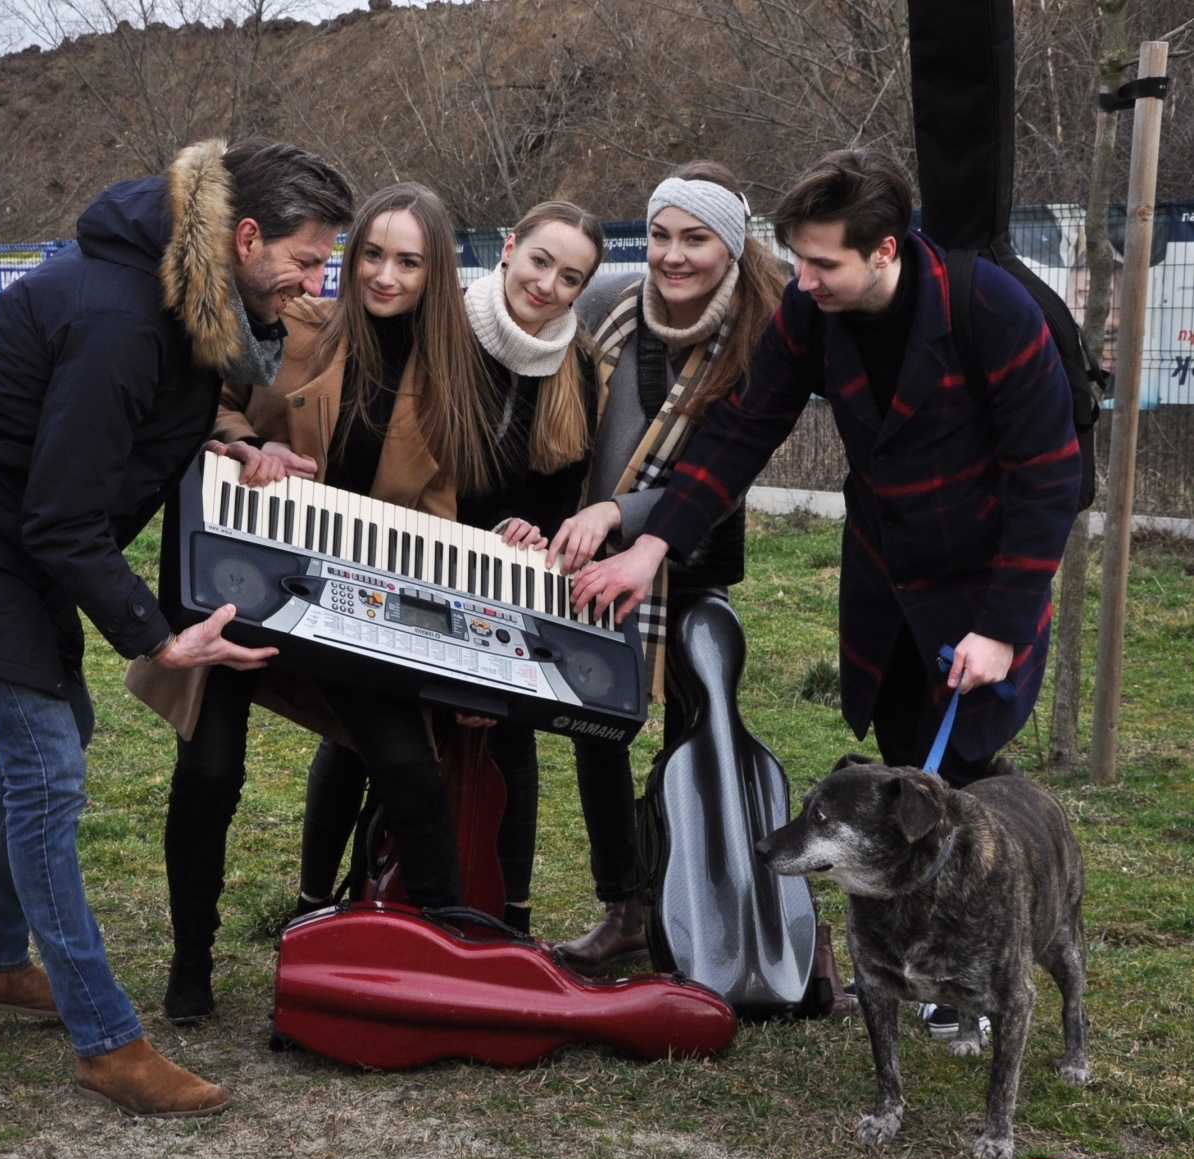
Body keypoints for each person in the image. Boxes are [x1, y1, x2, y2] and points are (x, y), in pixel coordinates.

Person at [0, 138, 354, 1119]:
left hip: (0, 521)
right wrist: (156, 638)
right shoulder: (122, 314)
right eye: (305, 259)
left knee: (53, 739)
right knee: (47, 765)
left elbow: (127, 419)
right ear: (244, 238)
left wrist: (228, 439)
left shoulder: (182, 295)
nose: (314, 283)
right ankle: (105, 1038)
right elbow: (63, 517)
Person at [573, 147, 1081, 789]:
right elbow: (742, 431)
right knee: (903, 768)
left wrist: (1002, 630)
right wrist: (652, 546)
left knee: (961, 777)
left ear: (884, 252)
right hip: (884, 585)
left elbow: (1046, 480)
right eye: (798, 258)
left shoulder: (993, 313)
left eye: (822, 264)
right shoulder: (811, 312)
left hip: (979, 583)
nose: (803, 281)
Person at [148, 182, 499, 1023]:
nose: (384, 275)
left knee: (410, 770)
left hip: (354, 605)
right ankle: (190, 964)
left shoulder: (451, 380)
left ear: (435, 270)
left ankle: (452, 959)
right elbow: (213, 403)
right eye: (371, 253)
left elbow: (442, 515)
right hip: (248, 589)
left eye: (408, 260)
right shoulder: (295, 328)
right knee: (209, 771)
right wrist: (248, 443)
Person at [289, 200, 606, 934]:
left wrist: (540, 531)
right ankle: (316, 899)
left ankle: (511, 918)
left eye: (570, 277)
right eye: (539, 261)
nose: (547, 284)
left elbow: (563, 490)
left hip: (510, 570)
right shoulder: (447, 328)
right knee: (361, 730)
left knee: (509, 733)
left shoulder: (576, 364)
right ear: (508, 247)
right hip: (427, 551)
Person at [542, 163, 786, 971]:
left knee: (696, 734)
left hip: (692, 550)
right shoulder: (611, 299)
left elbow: (721, 473)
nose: (671, 256)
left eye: (695, 239)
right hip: (592, 543)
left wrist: (621, 514)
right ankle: (625, 907)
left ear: (732, 246)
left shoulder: (762, 335)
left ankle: (700, 905)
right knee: (596, 722)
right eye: (658, 235)